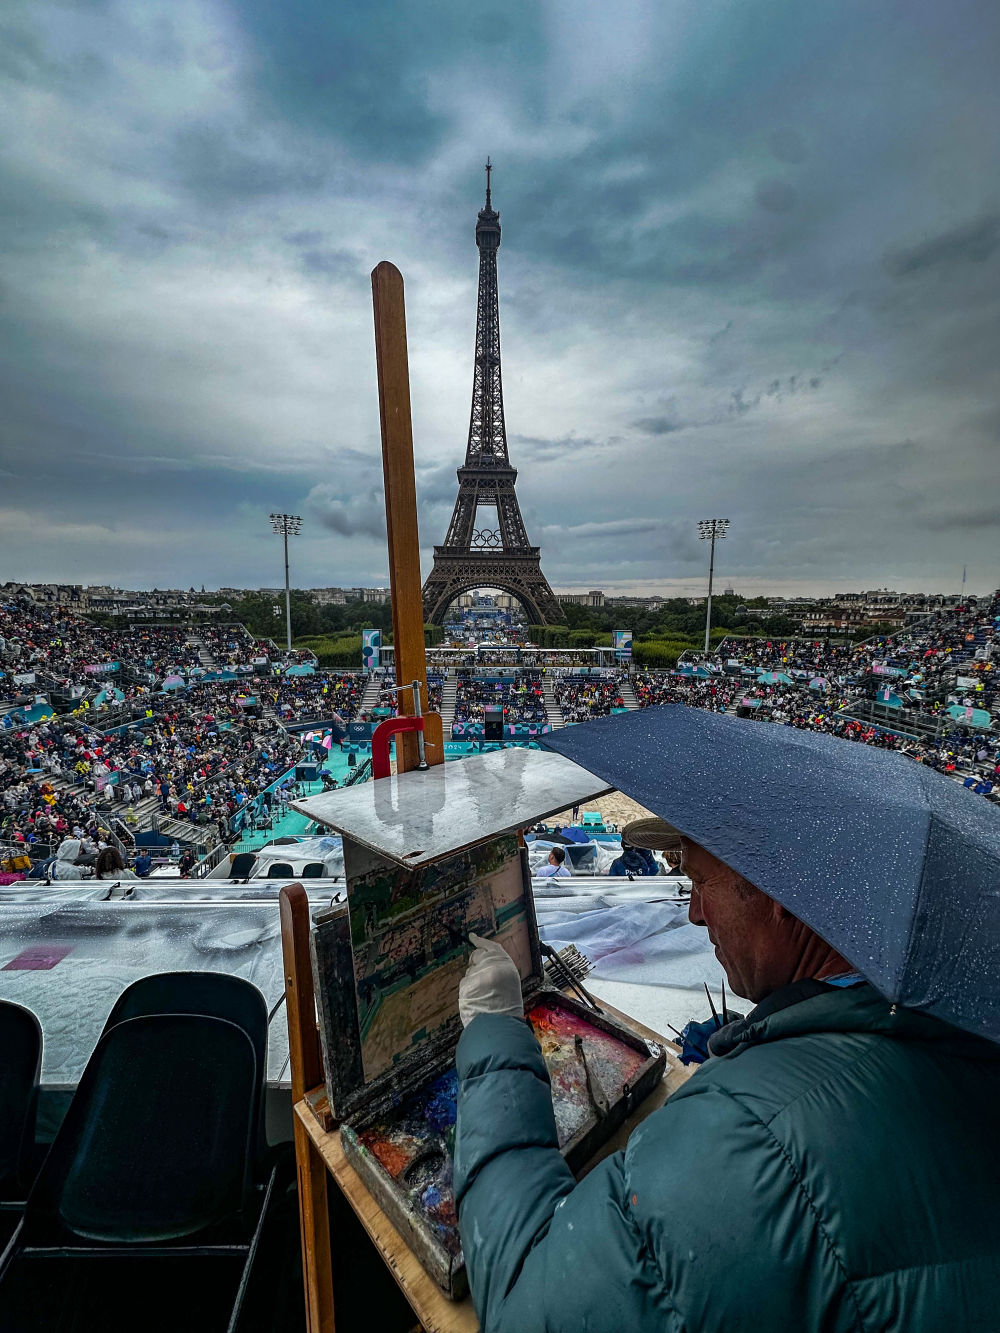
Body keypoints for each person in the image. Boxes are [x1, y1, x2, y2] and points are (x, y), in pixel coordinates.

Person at [453, 819, 1000, 1332]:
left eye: (699, 881)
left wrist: (494, 1031)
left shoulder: (748, 1143)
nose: (693, 913)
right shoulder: (954, 1025)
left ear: (782, 895)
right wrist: (773, 1034)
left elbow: (525, 1306)